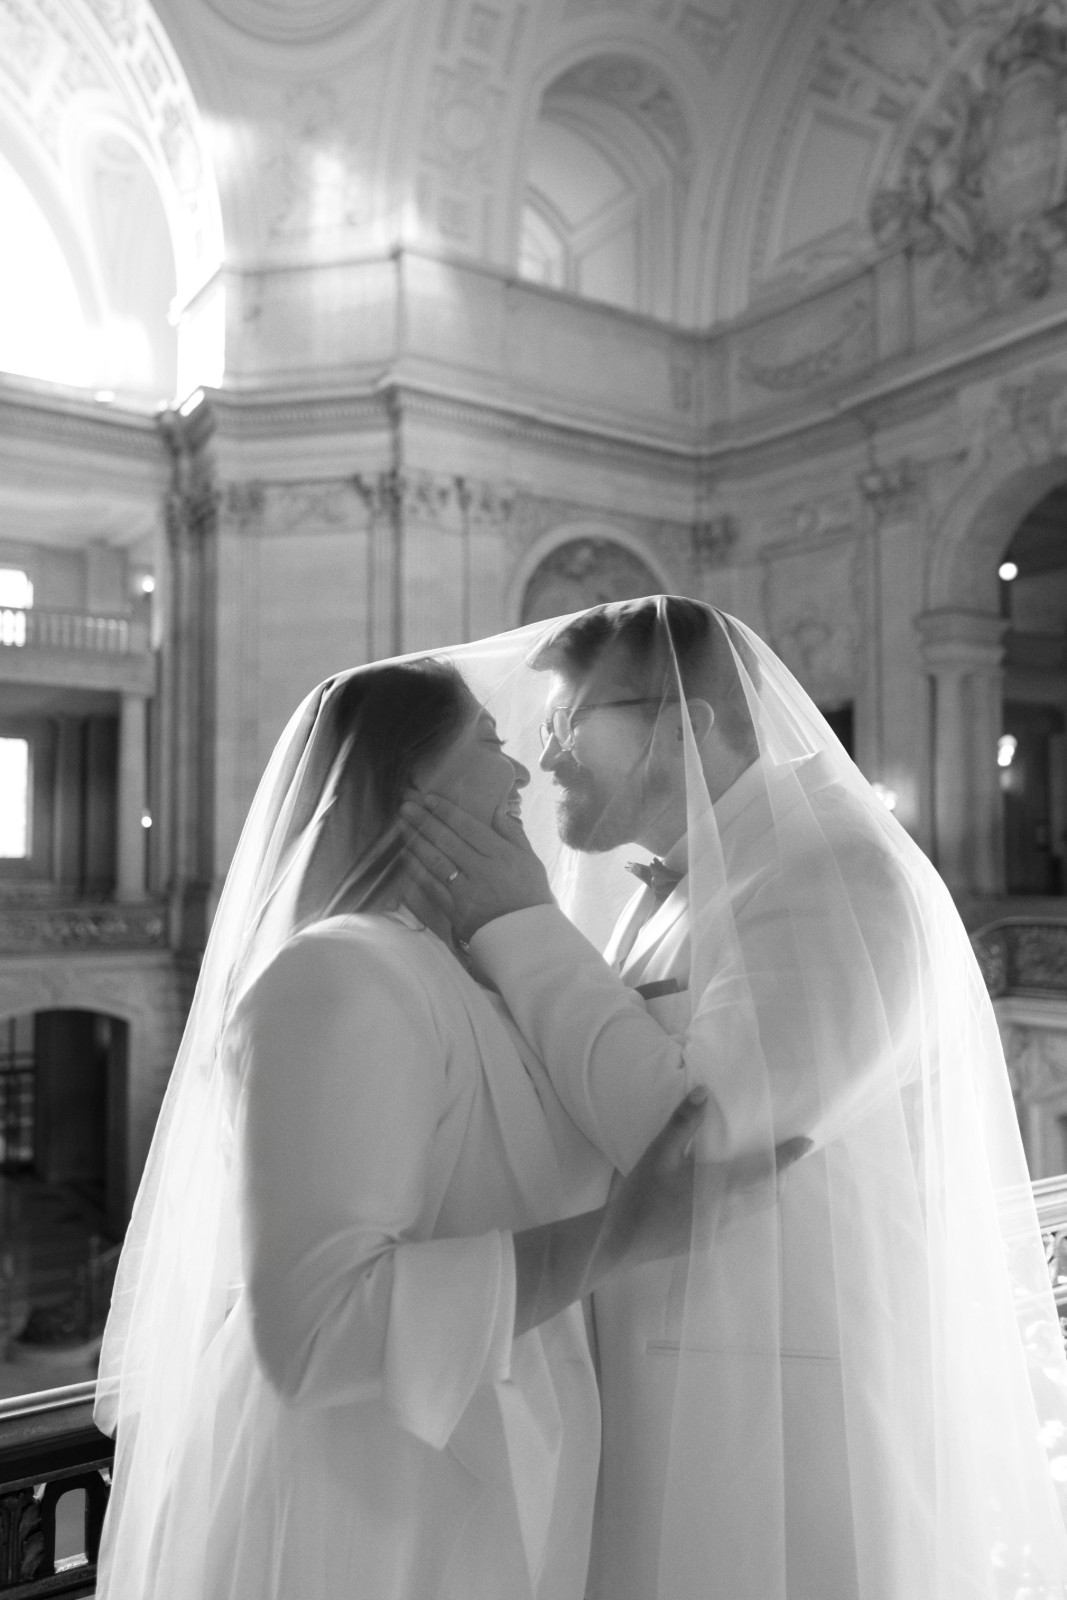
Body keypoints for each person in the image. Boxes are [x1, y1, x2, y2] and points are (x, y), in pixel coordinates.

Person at [401, 596, 1067, 1600]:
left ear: (679, 721)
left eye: (567, 720)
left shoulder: (837, 872)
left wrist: (516, 922)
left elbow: (701, 1134)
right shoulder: (689, 882)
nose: (543, 760)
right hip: (678, 1394)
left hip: (785, 1428)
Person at [93, 654, 799, 1600]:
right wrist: (616, 1241)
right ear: (406, 781)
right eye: (489, 742)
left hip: (484, 1469)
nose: (519, 774)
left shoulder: (458, 972)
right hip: (367, 1508)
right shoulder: (339, 977)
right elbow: (313, 1332)